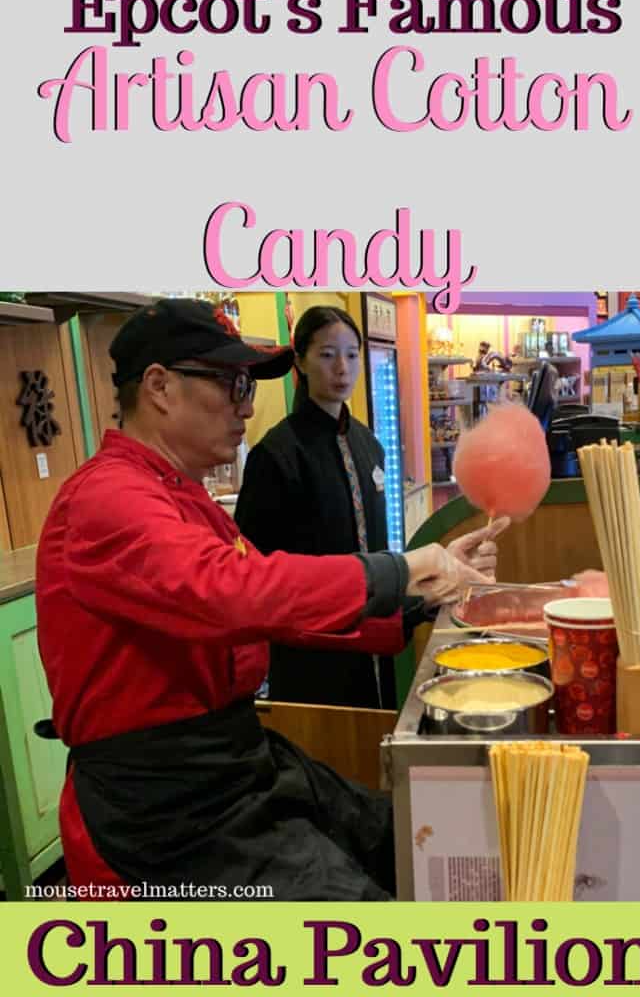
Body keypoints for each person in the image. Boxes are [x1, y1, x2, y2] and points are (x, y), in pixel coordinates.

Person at [36, 298, 501, 901]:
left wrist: (422, 598)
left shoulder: (185, 499)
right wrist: (401, 570)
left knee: (407, 836)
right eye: (232, 384)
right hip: (161, 804)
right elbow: (238, 593)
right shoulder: (107, 499)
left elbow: (276, 613)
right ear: (158, 387)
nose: (247, 405)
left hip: (234, 761)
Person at [236, 305, 507, 708]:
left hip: (377, 636)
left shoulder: (369, 445)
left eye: (350, 355)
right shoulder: (276, 455)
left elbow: (380, 551)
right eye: (327, 355)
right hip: (310, 653)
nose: (341, 368)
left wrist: (426, 586)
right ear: (301, 362)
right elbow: (253, 573)